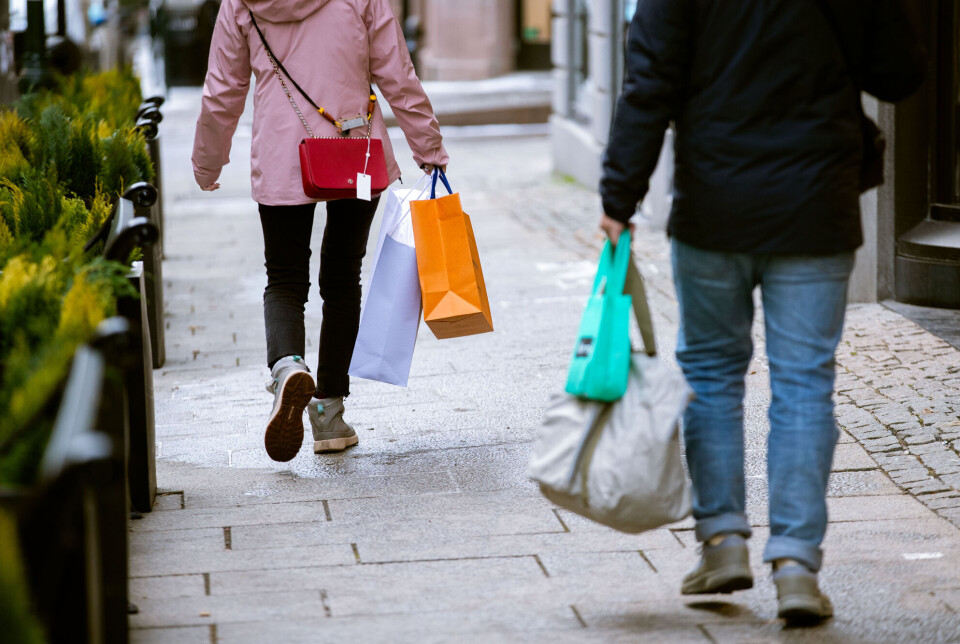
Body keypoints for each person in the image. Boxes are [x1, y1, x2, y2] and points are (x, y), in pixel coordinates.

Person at [599, 0, 923, 624]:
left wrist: (619, 197)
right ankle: (797, 564)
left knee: (711, 373)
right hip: (817, 201)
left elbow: (649, 85)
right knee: (804, 382)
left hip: (714, 203)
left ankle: (722, 540)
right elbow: (899, 74)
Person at [192, 0, 448, 462]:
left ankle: (288, 367)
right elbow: (397, 74)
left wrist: (207, 161)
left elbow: (223, 89)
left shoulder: (240, 3)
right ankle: (329, 412)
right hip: (355, 148)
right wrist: (427, 147)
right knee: (342, 278)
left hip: (281, 155)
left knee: (285, 278)